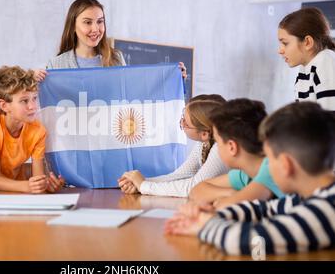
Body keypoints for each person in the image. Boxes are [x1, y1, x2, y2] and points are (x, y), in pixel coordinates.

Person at [165, 102, 335, 255]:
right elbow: (264, 209)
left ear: (285, 165)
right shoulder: (306, 198)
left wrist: (205, 224)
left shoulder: (327, 209)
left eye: (269, 157)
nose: (266, 164)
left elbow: (249, 240)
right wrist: (212, 215)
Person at [32, 0, 187, 78]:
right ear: (73, 26)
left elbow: (134, 93)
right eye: (87, 22)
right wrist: (34, 80)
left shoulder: (116, 59)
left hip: (108, 137)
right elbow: (45, 107)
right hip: (73, 137)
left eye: (100, 22)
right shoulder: (57, 64)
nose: (95, 29)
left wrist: (173, 76)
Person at [0, 66, 64, 193]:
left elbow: (38, 177)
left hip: (12, 187)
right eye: (24, 101)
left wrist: (45, 185)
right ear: (4, 105)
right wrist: (28, 186)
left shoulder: (38, 130)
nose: (33, 106)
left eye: (34, 98)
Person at [118, 94, 228, 197]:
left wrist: (143, 186)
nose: (181, 123)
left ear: (204, 133)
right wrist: (140, 183)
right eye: (182, 117)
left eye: (186, 123)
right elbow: (180, 175)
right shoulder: (204, 142)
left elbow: (194, 187)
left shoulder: (221, 147)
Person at [188, 99, 284, 209]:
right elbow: (196, 191)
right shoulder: (246, 173)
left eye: (217, 143)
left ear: (232, 147)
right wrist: (231, 194)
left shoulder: (270, 167)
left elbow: (225, 206)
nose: (217, 148)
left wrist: (230, 198)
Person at [278, 7, 335, 111]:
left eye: (285, 43)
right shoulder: (305, 69)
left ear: (307, 42)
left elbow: (330, 120)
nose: (280, 51)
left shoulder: (326, 61)